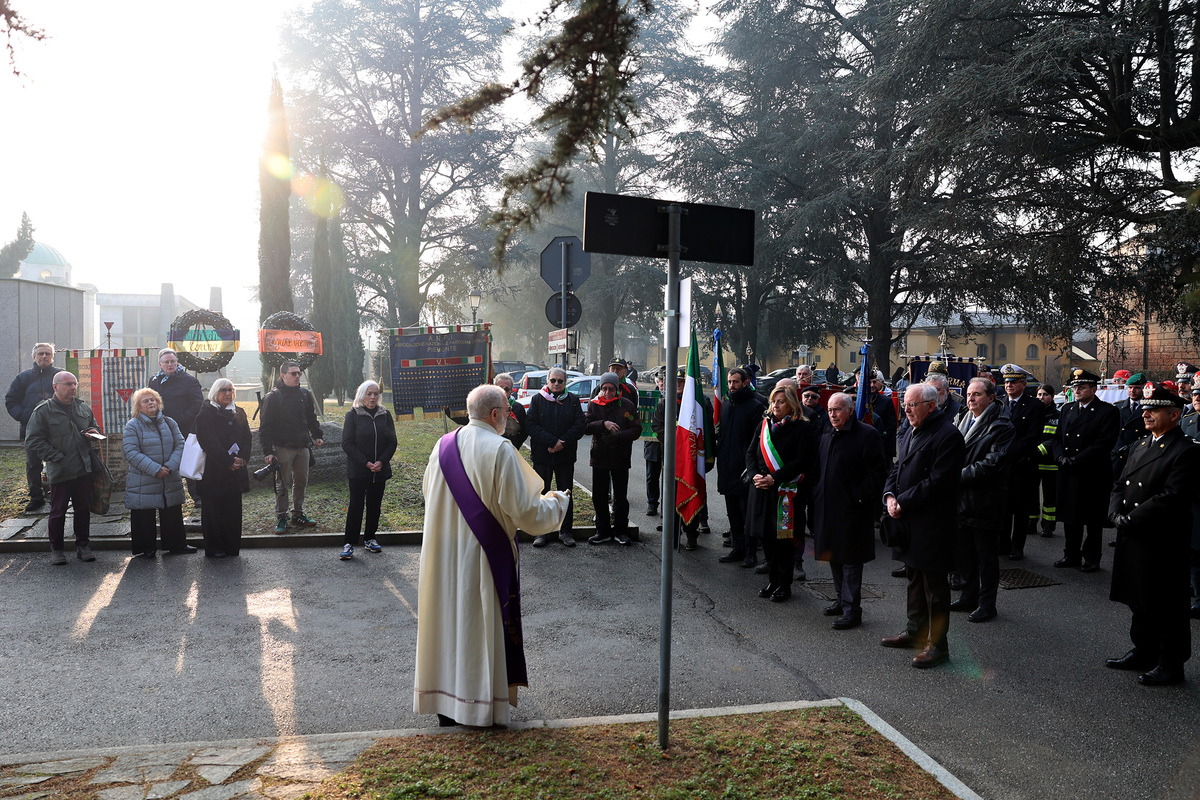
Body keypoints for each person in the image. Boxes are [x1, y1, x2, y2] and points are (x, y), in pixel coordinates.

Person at [413, 384, 570, 727]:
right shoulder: (500, 449)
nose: (509, 418)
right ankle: (478, 705)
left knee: (448, 625)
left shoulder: (442, 446)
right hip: (480, 557)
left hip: (442, 554)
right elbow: (526, 511)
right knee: (475, 627)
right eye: (507, 412)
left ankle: (447, 704)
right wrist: (558, 501)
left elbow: (429, 494)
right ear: (495, 414)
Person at [1106, 382, 1200, 686]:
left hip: (1161, 538)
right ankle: (1143, 650)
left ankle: (1171, 663)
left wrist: (1131, 518)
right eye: (1146, 408)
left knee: (1166, 603)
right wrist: (1114, 513)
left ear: (1174, 415)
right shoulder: (1140, 444)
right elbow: (1120, 484)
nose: (1146, 414)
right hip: (1132, 533)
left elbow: (1172, 496)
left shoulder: (1185, 450)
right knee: (1138, 597)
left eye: (1154, 409)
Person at [881, 383, 966, 669]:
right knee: (914, 579)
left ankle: (938, 645)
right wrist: (890, 495)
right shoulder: (912, 429)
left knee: (935, 587)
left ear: (931, 406)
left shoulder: (948, 436)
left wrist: (902, 501)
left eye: (912, 404)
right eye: (905, 404)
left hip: (933, 524)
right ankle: (916, 631)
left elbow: (938, 483)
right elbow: (898, 467)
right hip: (909, 521)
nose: (906, 409)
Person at [812, 392, 886, 629]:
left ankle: (852, 610)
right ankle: (840, 600)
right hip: (827, 507)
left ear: (850, 410)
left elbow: (877, 474)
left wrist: (858, 497)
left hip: (853, 510)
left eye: (838, 410)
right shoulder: (827, 431)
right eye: (830, 410)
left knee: (851, 561)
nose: (832, 414)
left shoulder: (867, 435)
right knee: (832, 555)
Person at [1038, 368, 1120, 573]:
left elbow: (1103, 443)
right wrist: (1059, 457)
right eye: (1075, 387)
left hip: (1092, 472)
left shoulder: (1107, 411)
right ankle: (1071, 554)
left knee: (1093, 518)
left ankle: (1092, 557)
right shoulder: (1067, 409)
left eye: (1082, 387)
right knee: (1070, 515)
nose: (1077, 390)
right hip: (1068, 470)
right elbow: (1057, 438)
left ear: (1094, 389)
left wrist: (1076, 459)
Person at [744, 384, 818, 602]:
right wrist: (755, 474)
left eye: (781, 402)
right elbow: (750, 452)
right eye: (773, 402)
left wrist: (774, 478)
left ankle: (784, 585)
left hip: (786, 492)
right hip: (761, 490)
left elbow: (802, 460)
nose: (775, 405)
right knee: (766, 538)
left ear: (792, 404)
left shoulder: (802, 428)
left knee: (784, 541)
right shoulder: (764, 425)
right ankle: (772, 581)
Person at [951, 378, 1014, 622]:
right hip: (961, 499)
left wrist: (956, 476)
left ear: (990, 397)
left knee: (985, 557)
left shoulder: (1002, 425)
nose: (971, 399)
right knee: (964, 553)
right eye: (968, 394)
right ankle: (968, 597)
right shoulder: (961, 418)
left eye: (976, 394)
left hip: (985, 500)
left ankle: (988, 604)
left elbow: (993, 463)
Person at [24, 371, 101, 565]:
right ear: (55, 387)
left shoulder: (82, 408)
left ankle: (83, 545)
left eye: (74, 384)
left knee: (83, 510)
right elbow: (33, 440)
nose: (73, 388)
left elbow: (95, 426)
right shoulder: (42, 411)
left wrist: (94, 433)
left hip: (83, 468)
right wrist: (56, 457)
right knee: (58, 511)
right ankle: (56, 549)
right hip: (60, 470)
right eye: (68, 384)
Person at [122, 387, 193, 558]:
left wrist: (169, 466)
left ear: (158, 402)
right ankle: (146, 548)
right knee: (144, 513)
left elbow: (180, 444)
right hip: (144, 478)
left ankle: (176, 545)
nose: (150, 403)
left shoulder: (169, 422)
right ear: (138, 407)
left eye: (152, 400)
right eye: (145, 401)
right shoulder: (133, 426)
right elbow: (131, 452)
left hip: (169, 475)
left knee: (172, 511)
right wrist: (155, 469)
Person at [652, 368, 714, 550]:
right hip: (672, 459)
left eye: (682, 382)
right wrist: (677, 441)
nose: (678, 385)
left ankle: (691, 534)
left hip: (692, 460)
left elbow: (708, 431)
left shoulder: (701, 403)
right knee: (671, 499)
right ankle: (672, 535)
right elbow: (657, 427)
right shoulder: (665, 403)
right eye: (676, 382)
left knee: (691, 494)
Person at [260, 361, 325, 533]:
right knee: (282, 484)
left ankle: (297, 513)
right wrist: (268, 452)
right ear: (283, 375)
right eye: (293, 373)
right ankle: (282, 517)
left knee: (301, 482)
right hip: (283, 448)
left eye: (299, 373)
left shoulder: (304, 394)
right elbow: (265, 427)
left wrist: (317, 435)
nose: (297, 376)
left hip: (303, 447)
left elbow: (311, 418)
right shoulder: (273, 397)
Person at [526, 367, 585, 548]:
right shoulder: (537, 399)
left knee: (565, 494)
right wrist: (552, 442)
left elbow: (580, 425)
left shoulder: (573, 401)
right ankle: (542, 532)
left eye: (560, 381)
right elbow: (531, 425)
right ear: (548, 381)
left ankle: (565, 531)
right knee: (542, 495)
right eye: (553, 381)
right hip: (543, 455)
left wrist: (562, 443)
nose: (557, 384)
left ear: (565, 382)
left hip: (565, 456)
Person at [194, 379, 252, 558]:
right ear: (214, 392)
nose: (227, 393)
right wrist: (228, 461)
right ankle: (215, 548)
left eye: (230, 390)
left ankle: (231, 546)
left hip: (235, 472)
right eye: (223, 390)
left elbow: (247, 439)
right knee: (214, 512)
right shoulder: (205, 414)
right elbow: (209, 442)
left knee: (233, 511)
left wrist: (241, 459)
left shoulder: (239, 412)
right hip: (214, 472)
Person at [339, 380, 396, 560]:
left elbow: (392, 442)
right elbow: (347, 444)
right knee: (356, 506)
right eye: (369, 394)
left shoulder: (385, 415)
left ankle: (370, 538)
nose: (372, 397)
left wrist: (380, 461)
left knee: (375, 506)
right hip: (359, 471)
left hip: (379, 470)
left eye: (375, 394)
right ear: (361, 395)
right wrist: (366, 463)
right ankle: (349, 543)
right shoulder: (353, 415)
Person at [998, 364, 1049, 560]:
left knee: (1020, 508)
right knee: (1003, 507)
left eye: (1013, 382)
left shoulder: (1035, 405)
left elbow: (1032, 436)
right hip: (1002, 465)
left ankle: (1017, 546)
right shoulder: (999, 403)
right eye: (1007, 381)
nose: (1009, 385)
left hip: (1022, 464)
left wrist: (1007, 452)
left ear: (1023, 384)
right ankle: (1002, 543)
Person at [716, 367, 765, 565]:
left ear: (745, 382)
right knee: (733, 514)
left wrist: (752, 468)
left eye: (735, 382)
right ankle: (738, 548)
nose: (731, 386)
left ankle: (751, 552)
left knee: (748, 514)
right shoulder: (726, 406)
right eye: (729, 382)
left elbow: (758, 443)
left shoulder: (755, 407)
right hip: (727, 468)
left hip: (745, 471)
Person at [584, 372, 640, 546]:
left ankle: (621, 531)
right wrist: (603, 424)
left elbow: (636, 429)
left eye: (611, 389)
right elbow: (585, 427)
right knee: (599, 496)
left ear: (617, 389)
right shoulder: (594, 405)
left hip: (620, 457)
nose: (607, 392)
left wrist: (620, 436)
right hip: (599, 456)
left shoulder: (627, 406)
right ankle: (602, 531)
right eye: (604, 388)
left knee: (620, 496)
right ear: (600, 389)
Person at [147, 348, 204, 509]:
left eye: (172, 361)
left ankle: (198, 497)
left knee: (189, 463)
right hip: (160, 429)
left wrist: (181, 419)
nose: (170, 364)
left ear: (177, 362)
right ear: (160, 364)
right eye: (166, 362)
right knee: (165, 462)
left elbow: (198, 404)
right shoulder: (154, 381)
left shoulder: (189, 381)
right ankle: (166, 496)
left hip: (184, 429)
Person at [5, 342, 58, 513]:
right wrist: (25, 417)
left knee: (57, 461)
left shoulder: (60, 375)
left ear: (52, 357)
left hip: (57, 428)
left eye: (47, 354)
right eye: (41, 353)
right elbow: (11, 400)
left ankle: (58, 496)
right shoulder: (23, 378)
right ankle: (36, 498)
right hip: (31, 429)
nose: (44, 356)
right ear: (34, 357)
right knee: (33, 464)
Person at [1111, 372, 1148, 480]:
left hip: (1139, 453)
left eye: (1137, 388)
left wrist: (1132, 447)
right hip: (1118, 454)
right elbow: (1112, 430)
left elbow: (1150, 432)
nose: (1132, 391)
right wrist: (1120, 446)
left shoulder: (1149, 407)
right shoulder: (1118, 407)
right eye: (1130, 387)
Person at [1035, 384, 1060, 537]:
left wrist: (1042, 449)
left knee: (1050, 497)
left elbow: (1058, 438)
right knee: (1031, 496)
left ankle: (1048, 524)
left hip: (1051, 463)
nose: (1042, 398)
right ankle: (1031, 522)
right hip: (1033, 462)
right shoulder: (1033, 413)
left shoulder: (1058, 416)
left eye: (1045, 395)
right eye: (1039, 394)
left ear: (1052, 396)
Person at [642, 375, 666, 516]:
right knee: (652, 476)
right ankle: (652, 503)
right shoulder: (649, 397)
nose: (662, 383)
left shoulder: (677, 396)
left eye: (665, 380)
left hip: (669, 444)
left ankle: (667, 506)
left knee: (669, 477)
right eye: (660, 381)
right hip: (652, 443)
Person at [493, 372, 527, 450]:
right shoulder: (487, 406)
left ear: (511, 391)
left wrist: (515, 445)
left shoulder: (518, 408)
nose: (503, 391)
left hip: (510, 450)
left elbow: (524, 431)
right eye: (500, 388)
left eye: (506, 389)